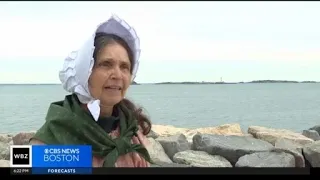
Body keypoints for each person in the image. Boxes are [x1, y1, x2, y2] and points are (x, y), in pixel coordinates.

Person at [29, 15, 153, 167]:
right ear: (84, 72)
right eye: (106, 64)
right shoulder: (52, 139)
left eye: (124, 67)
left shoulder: (131, 130)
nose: (118, 75)